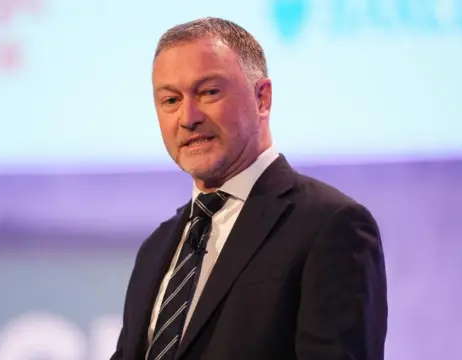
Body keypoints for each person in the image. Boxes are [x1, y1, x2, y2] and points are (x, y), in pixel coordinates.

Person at [110, 17, 387, 360]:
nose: (188, 117)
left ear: (262, 98)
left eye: (209, 92)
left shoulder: (330, 226)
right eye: (170, 100)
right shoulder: (156, 247)